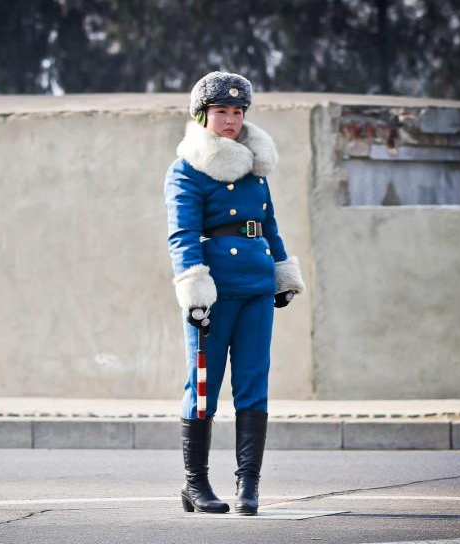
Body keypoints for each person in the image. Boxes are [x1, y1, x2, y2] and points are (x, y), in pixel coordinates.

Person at [163, 71, 305, 515]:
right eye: (221, 111)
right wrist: (195, 290)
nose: (230, 120)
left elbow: (269, 226)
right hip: (214, 291)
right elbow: (182, 235)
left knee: (252, 384)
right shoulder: (187, 168)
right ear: (203, 115)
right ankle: (195, 484)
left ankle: (249, 485)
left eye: (237, 111)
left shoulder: (255, 169)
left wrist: (282, 274)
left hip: (258, 287)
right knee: (204, 387)